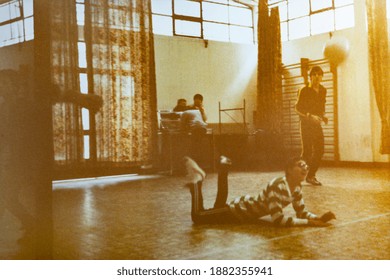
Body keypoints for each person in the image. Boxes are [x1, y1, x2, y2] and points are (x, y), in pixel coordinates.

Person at [184, 156, 336, 227]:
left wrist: (319, 218)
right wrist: (311, 223)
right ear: (289, 170)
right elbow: (278, 219)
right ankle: (197, 182)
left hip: (242, 212)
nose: (305, 168)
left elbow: (301, 212)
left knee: (218, 206)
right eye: (300, 165)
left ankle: (224, 168)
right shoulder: (278, 185)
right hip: (237, 211)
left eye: (306, 166)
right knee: (198, 216)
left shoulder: (296, 188)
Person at [295, 66, 328, 186]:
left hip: (316, 124)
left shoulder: (323, 90)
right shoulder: (304, 90)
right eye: (315, 74)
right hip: (306, 123)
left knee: (320, 150)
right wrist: (309, 116)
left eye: (320, 74)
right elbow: (297, 108)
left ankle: (311, 176)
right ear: (310, 76)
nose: (317, 77)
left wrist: (323, 116)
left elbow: (321, 107)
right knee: (307, 152)